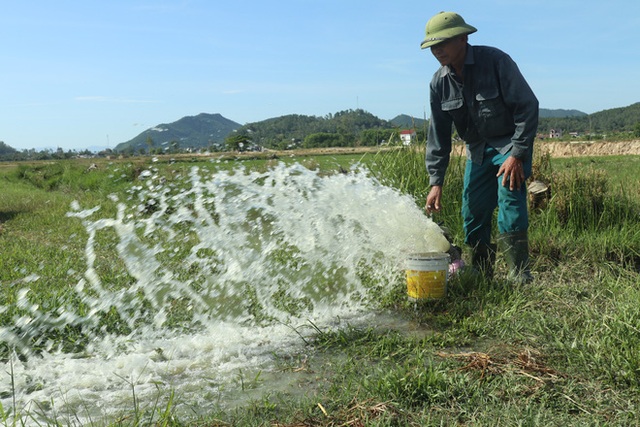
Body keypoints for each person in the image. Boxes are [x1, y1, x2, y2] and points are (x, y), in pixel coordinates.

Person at [421, 11, 539, 283]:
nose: (437, 50)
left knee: (510, 205)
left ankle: (519, 276)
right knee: (472, 211)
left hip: (509, 146)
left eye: (442, 43)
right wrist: (435, 182)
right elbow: (438, 134)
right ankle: (482, 275)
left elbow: (527, 106)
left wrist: (517, 154)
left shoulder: (496, 61)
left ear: (463, 38)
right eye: (432, 46)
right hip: (476, 150)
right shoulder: (439, 82)